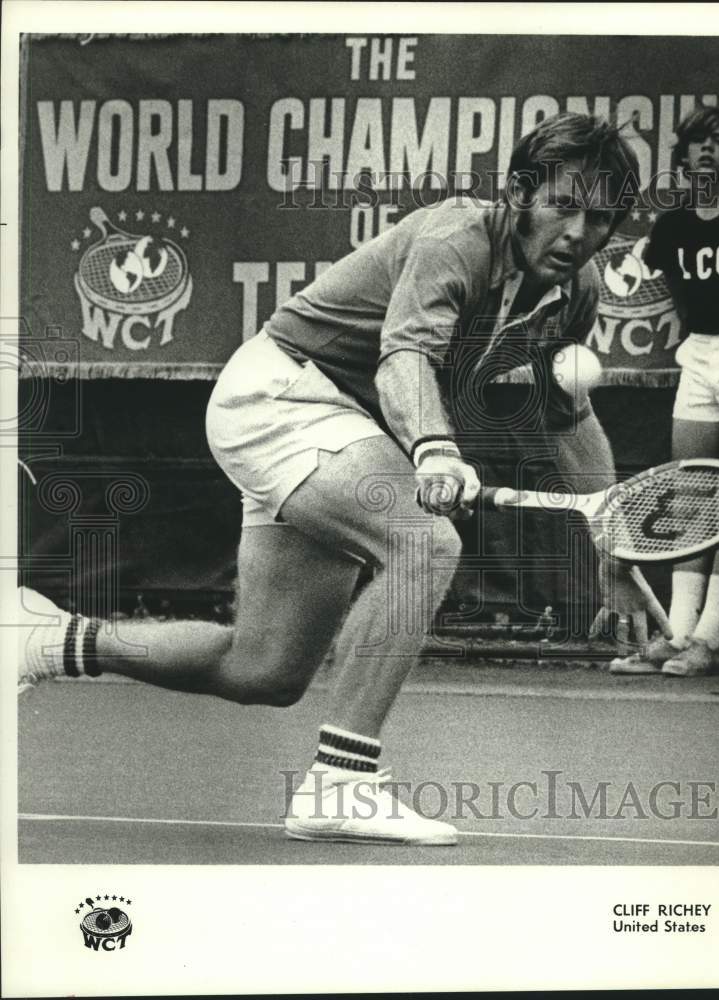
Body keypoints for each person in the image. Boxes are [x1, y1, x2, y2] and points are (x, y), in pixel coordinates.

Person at [20, 112, 654, 844]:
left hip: (336, 431)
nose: (578, 232)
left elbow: (566, 416)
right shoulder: (457, 237)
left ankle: (48, 637)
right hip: (283, 393)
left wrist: (615, 551)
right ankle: (343, 784)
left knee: (264, 668)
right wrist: (435, 450)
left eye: (600, 218)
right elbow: (403, 358)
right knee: (424, 545)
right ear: (519, 193)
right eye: (562, 206)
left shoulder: (574, 293)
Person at [611, 106, 719, 677]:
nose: (705, 149)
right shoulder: (671, 225)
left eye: (717, 140)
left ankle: (711, 637)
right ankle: (679, 635)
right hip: (699, 358)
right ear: (682, 154)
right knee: (694, 498)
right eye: (695, 140)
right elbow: (624, 279)